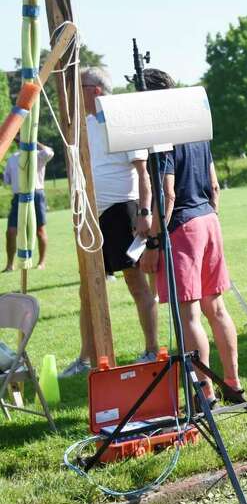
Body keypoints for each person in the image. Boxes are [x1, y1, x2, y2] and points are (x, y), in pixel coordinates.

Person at [138, 68, 241, 400]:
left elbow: (167, 194)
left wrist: (154, 240)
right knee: (218, 309)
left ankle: (205, 393)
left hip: (182, 225)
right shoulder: (195, 130)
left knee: (189, 315)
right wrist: (208, 216)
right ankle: (233, 383)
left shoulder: (162, 135)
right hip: (209, 221)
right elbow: (214, 185)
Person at [62, 68, 159, 378]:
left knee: (135, 282)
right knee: (87, 288)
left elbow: (143, 172)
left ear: (97, 91)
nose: (77, 93)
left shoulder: (123, 119)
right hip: (93, 216)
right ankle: (86, 358)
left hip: (123, 211)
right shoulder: (84, 124)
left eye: (82, 87)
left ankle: (151, 349)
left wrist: (145, 213)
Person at [3, 141, 53, 271]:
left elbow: (49, 152)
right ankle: (9, 265)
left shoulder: (38, 154)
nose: (20, 140)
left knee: (39, 231)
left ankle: (41, 263)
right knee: (11, 231)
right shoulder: (12, 158)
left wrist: (33, 141)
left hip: (36, 194)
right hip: (18, 196)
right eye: (18, 138)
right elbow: (7, 179)